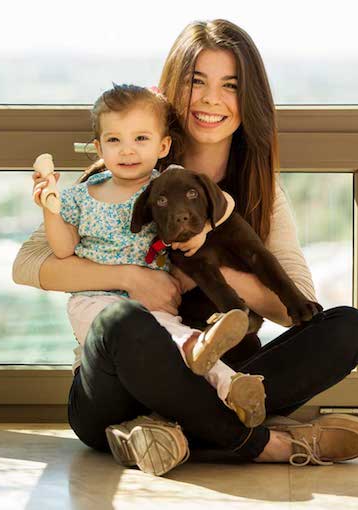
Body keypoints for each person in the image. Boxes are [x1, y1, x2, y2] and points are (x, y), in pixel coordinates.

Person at [13, 19, 358, 476]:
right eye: (196, 82)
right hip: (119, 389)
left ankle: (168, 435)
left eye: (230, 85)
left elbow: (294, 307)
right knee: (122, 320)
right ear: (172, 90)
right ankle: (262, 443)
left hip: (220, 372)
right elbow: (28, 264)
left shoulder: (260, 192)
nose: (210, 99)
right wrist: (130, 277)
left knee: (347, 328)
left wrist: (204, 259)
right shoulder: (130, 164)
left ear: (250, 101)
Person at [37, 83, 266, 428]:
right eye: (115, 141)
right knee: (158, 332)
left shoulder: (166, 186)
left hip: (154, 311)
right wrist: (50, 210)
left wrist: (202, 229)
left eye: (140, 139)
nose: (127, 151)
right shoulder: (82, 195)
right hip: (96, 307)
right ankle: (204, 368)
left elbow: (222, 201)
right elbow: (63, 249)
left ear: (163, 146)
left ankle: (232, 386)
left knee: (177, 340)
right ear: (99, 147)